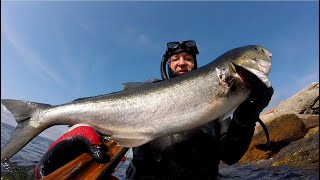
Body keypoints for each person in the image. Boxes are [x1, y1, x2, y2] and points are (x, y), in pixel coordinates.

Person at [35, 40, 274, 180]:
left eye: (188, 58)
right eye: (176, 59)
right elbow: (106, 120)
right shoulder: (146, 91)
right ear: (167, 65)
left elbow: (231, 156)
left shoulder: (217, 110)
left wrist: (247, 116)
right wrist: (79, 128)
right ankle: (40, 117)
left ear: (195, 63)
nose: (182, 62)